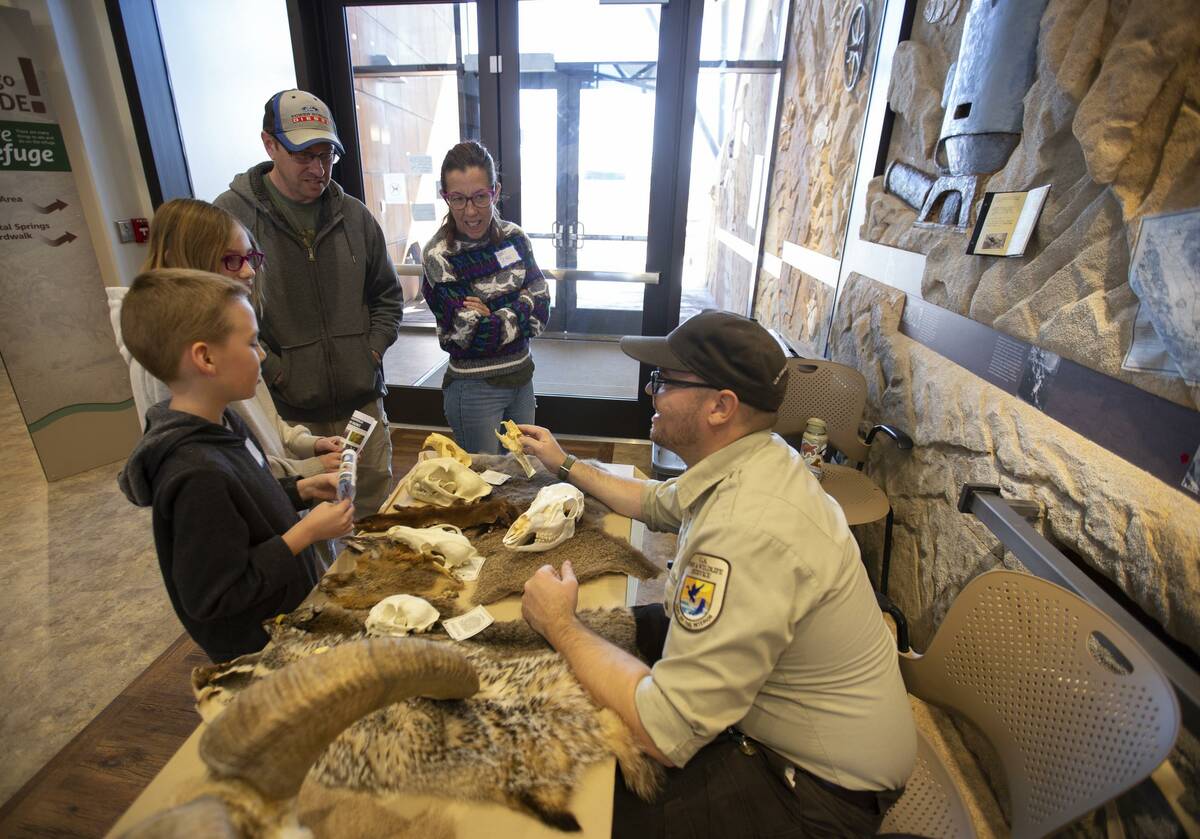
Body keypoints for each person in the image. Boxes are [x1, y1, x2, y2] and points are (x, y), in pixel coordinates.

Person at [517, 310, 916, 837]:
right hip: (790, 727)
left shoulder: (746, 530)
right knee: (609, 636)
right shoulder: (757, 454)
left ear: (721, 406)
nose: (651, 393)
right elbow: (657, 502)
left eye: (665, 383)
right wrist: (565, 464)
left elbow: (665, 731)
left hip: (816, 792)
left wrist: (561, 626)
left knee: (584, 806)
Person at [117, 268, 354, 662]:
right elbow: (217, 594)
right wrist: (304, 534)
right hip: (260, 648)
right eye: (252, 342)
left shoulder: (224, 422)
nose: (261, 354)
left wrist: (301, 489)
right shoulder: (196, 474)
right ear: (205, 358)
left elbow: (245, 500)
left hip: (290, 615)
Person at [214, 89, 402, 512]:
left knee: (371, 509)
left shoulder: (356, 216)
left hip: (362, 401)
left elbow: (388, 296)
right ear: (270, 144)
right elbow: (221, 314)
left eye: (327, 156)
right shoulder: (230, 218)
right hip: (289, 413)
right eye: (304, 156)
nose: (319, 169)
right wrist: (277, 371)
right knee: (308, 517)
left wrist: (370, 350)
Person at [107, 198, 346, 480]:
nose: (249, 271)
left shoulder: (225, 332)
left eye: (249, 258)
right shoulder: (170, 360)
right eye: (232, 260)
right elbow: (218, 467)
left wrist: (309, 444)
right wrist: (309, 471)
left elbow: (262, 422)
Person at [421, 140, 550, 454]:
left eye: (480, 196)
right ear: (445, 197)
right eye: (458, 199)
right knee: (484, 484)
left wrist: (493, 311)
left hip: (521, 378)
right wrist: (521, 302)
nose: (470, 211)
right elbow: (478, 335)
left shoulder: (515, 239)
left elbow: (543, 307)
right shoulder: (439, 255)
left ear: (495, 190)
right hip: (473, 389)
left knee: (525, 472)